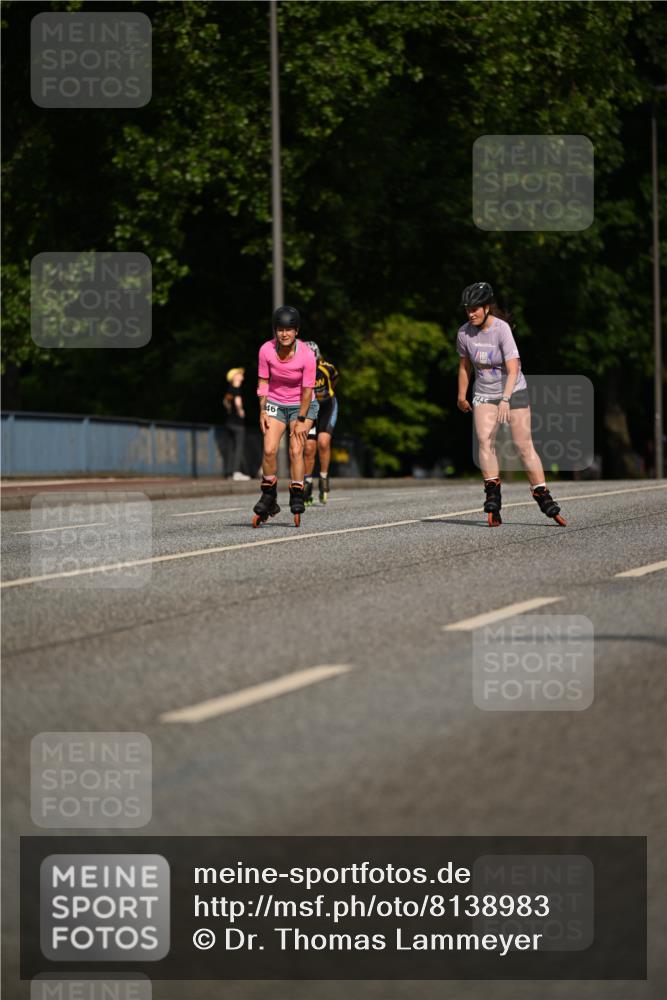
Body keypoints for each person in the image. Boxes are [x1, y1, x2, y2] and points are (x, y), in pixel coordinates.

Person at [456, 281, 566, 526]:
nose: (470, 314)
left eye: (475, 309)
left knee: (523, 444)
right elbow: (464, 367)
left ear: (487, 308)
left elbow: (513, 368)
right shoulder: (464, 333)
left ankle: (541, 493)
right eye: (467, 310)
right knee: (485, 440)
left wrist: (505, 399)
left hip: (513, 390)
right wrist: (461, 396)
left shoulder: (501, 329)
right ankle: (492, 494)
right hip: (485, 393)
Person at [252, 306, 319, 527]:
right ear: (275, 331)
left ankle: (297, 493)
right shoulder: (266, 350)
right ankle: (269, 496)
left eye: (289, 330)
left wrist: (301, 420)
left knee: (296, 450)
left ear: (296, 331)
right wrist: (263, 410)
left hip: (302, 405)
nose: (284, 334)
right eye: (280, 330)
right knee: (269, 449)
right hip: (275, 403)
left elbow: (308, 391)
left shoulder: (307, 355)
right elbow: (263, 381)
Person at [302, 341, 339, 504]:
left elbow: (335, 380)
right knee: (309, 448)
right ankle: (307, 482)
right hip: (310, 409)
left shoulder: (327, 368)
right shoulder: (298, 371)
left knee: (323, 443)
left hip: (327, 407)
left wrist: (325, 395)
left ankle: (324, 478)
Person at [223, 368, 250, 480]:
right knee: (239, 447)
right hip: (238, 423)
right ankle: (236, 472)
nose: (242, 376)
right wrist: (241, 411)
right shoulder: (237, 389)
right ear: (234, 377)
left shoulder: (229, 390)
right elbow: (238, 403)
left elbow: (225, 403)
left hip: (229, 422)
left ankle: (229, 472)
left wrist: (230, 410)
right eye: (239, 374)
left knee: (231, 448)